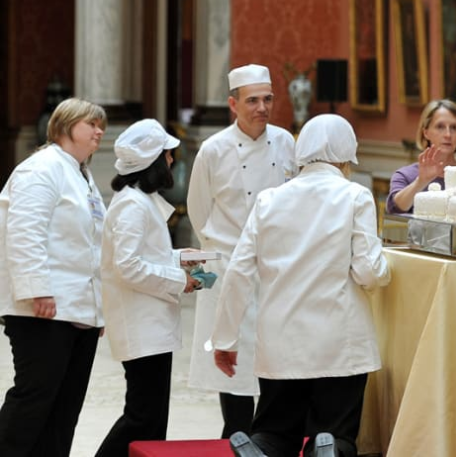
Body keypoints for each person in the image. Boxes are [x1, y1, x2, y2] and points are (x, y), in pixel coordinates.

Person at [211, 114, 391, 457]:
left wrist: (225, 338)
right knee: (337, 432)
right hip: (339, 341)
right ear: (345, 156)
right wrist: (386, 271)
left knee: (275, 431)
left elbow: (238, 272)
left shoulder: (268, 200)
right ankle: (329, 450)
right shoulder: (354, 196)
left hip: (280, 342)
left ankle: (262, 448)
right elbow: (368, 270)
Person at [187, 64, 297, 438]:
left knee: (270, 360)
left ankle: (268, 438)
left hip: (273, 267)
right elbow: (199, 211)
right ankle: (234, 436)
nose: (262, 107)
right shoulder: (212, 150)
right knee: (231, 364)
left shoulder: (286, 142)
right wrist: (223, 254)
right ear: (234, 104)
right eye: (253, 100)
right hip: (229, 265)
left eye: (267, 99)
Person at [0, 97, 107, 456]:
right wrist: (38, 290)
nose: (99, 131)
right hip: (43, 310)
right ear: (64, 127)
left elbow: (91, 247)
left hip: (77, 310)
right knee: (34, 401)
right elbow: (25, 233)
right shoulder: (41, 169)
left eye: (101, 125)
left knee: (64, 409)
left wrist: (97, 307)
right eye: (91, 123)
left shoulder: (83, 176)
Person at [95, 119, 204, 456]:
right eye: (167, 155)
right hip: (141, 326)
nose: (172, 160)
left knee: (153, 420)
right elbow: (128, 266)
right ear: (153, 161)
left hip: (150, 325)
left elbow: (147, 255)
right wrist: (179, 279)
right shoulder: (131, 205)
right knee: (143, 418)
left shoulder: (139, 200)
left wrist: (178, 258)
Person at [386, 99, 456, 214]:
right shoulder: (405, 175)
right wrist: (421, 182)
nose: (448, 135)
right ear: (426, 132)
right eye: (440, 127)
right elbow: (394, 208)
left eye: (454, 128)